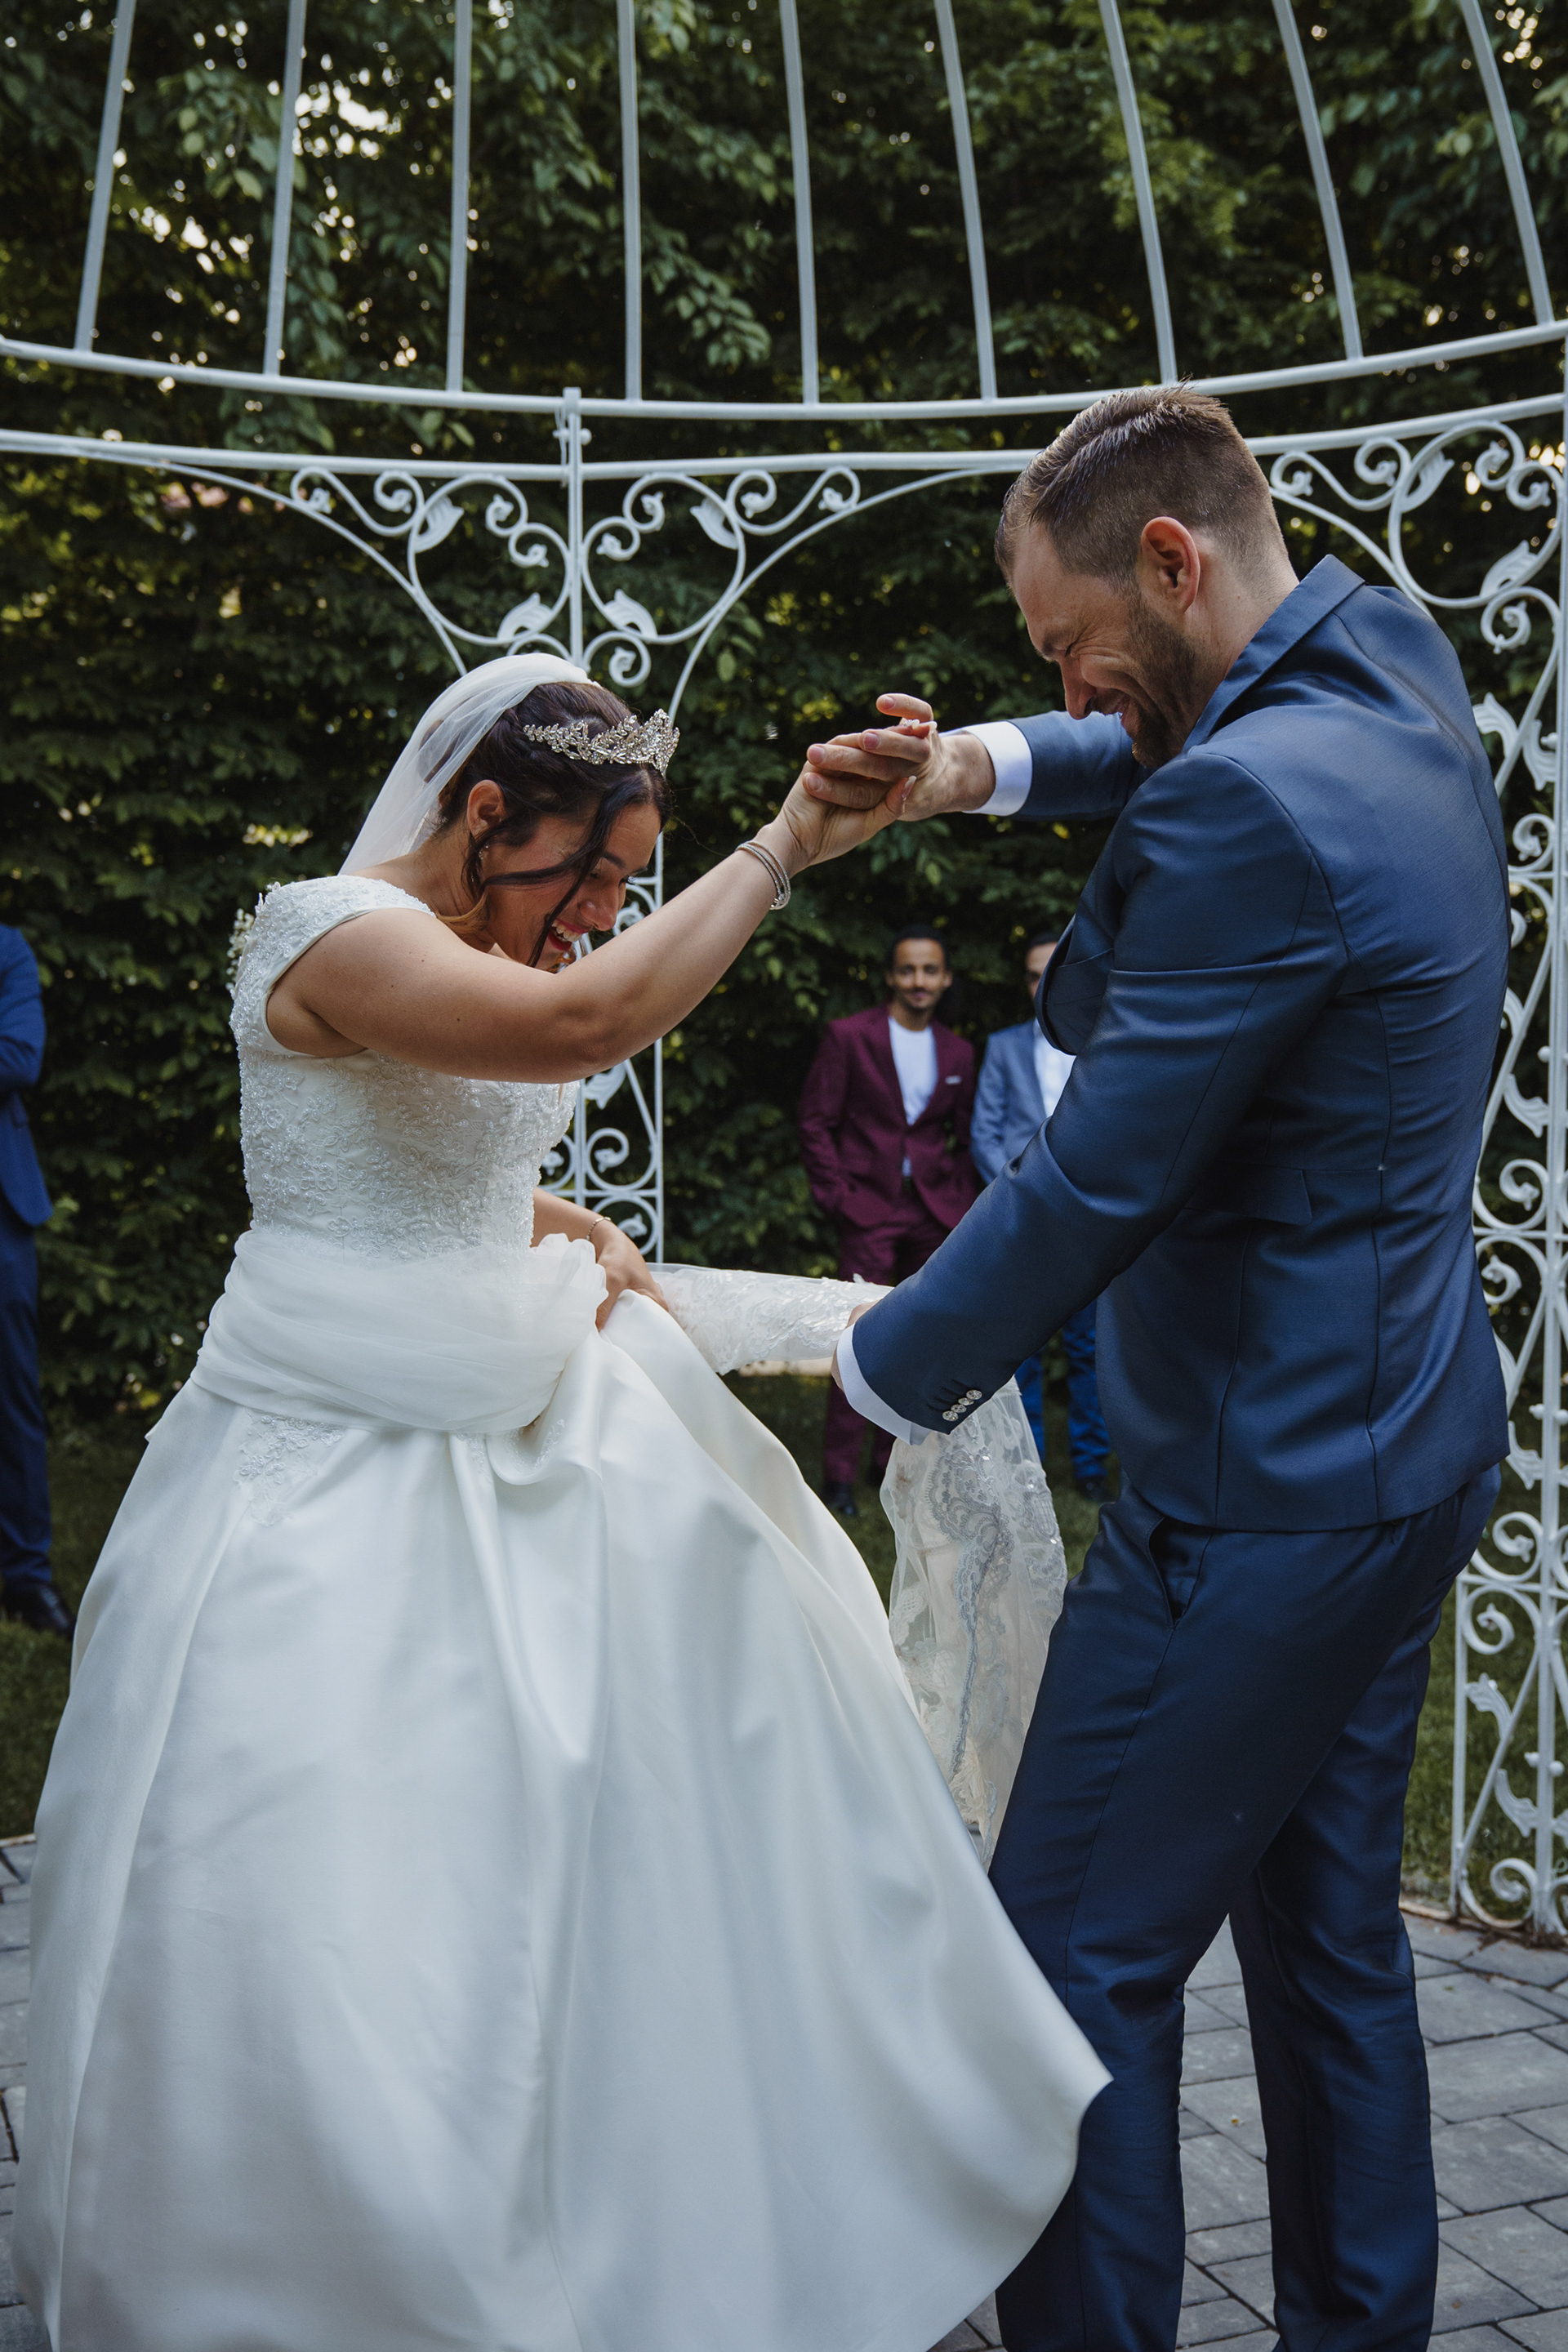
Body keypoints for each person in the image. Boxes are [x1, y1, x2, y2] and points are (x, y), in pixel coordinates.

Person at [16, 654, 1104, 2352]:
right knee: (343, 1870)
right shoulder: (328, 931)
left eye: (629, 886)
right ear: (481, 814)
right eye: (591, 876)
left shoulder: (474, 940)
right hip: (326, 1450)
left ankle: (686, 2170)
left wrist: (559, 1222)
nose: (603, 915)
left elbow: (426, 1159)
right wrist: (780, 849)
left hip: (521, 1386)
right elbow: (577, 1031)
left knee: (697, 1750)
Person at [803, 385, 1509, 2352]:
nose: (1067, 685)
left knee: (1055, 1974)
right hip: (1411, 1442)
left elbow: (1096, 1182)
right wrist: (968, 769)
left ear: (1173, 561)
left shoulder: (1237, 807)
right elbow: (1160, 730)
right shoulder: (1389, 664)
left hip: (1252, 1494)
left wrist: (872, 1367)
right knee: (1330, 1948)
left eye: (1069, 643)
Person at [798, 927, 978, 1513]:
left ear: (945, 979)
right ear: (890, 976)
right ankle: (839, 1476)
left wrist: (957, 1200)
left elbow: (965, 1136)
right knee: (858, 1336)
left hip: (933, 1212)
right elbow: (816, 1122)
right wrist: (838, 1197)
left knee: (921, 1337)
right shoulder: (850, 1036)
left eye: (930, 970)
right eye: (907, 969)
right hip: (868, 1207)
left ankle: (891, 1464)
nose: (918, 981)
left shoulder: (958, 1051)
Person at [971, 931, 1110, 1500]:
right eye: (1032, 974)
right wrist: (1024, 1195)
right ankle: (1027, 1470)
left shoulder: (1108, 1044)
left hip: (1092, 1223)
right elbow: (984, 1134)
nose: (1042, 982)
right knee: (1022, 1352)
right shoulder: (1003, 1047)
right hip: (1022, 1222)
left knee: (1090, 1351)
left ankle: (1092, 1467)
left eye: (1051, 970)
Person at [0, 924, 71, 1641]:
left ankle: (26, 1577)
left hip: (0, 1212)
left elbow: (17, 1058)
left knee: (12, 1397)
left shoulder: (6, 949)